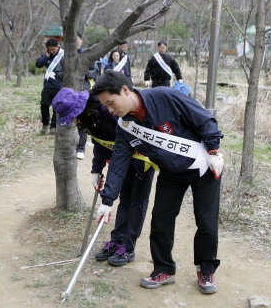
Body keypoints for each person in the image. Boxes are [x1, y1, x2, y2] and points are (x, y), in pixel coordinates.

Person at [91, 70, 224, 295]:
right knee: (161, 220)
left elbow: (204, 118)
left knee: (206, 221)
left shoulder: (166, 97)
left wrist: (212, 149)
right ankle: (164, 269)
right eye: (106, 106)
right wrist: (108, 200)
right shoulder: (124, 127)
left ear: (125, 90)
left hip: (203, 166)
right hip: (171, 173)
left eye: (111, 103)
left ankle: (206, 268)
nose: (111, 110)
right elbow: (118, 164)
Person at [52, 88, 155, 266]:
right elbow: (100, 143)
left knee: (136, 202)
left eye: (72, 116)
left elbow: (132, 134)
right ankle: (117, 240)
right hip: (120, 162)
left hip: (141, 158)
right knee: (124, 200)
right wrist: (96, 168)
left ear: (79, 110)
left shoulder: (106, 111)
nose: (73, 121)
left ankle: (128, 247)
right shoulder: (88, 120)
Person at [76, 31, 99, 159]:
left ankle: (80, 148)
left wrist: (81, 73)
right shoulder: (66, 55)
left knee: (83, 120)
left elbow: (95, 72)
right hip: (71, 91)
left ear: (81, 40)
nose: (75, 42)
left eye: (77, 39)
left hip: (85, 91)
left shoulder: (88, 55)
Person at [35, 38, 64, 135]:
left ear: (58, 46)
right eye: (49, 49)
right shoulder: (47, 55)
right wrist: (45, 57)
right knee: (44, 105)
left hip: (59, 86)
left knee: (57, 107)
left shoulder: (63, 55)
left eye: (53, 49)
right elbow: (38, 64)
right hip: (47, 86)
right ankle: (45, 123)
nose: (51, 51)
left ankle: (53, 126)